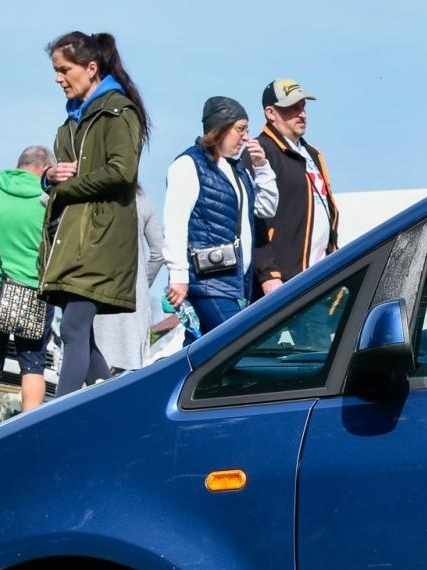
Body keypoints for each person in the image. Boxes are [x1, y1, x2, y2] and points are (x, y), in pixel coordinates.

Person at [39, 31, 148, 395]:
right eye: (55, 70)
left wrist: (63, 189)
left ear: (90, 67)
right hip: (73, 238)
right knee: (81, 336)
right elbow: (64, 173)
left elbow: (122, 171)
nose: (57, 78)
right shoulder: (70, 122)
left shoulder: (119, 111)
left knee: (72, 328)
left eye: (63, 69)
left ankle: (57, 419)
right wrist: (48, 176)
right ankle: (113, 398)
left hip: (100, 239)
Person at [163, 97, 279, 339]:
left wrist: (262, 168)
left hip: (234, 285)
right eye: (240, 129)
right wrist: (178, 276)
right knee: (239, 343)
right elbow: (174, 223)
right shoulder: (188, 165)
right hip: (208, 284)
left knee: (202, 355)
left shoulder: (237, 170)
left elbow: (266, 208)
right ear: (220, 127)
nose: (246, 137)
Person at [0, 145, 53, 429]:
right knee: (32, 364)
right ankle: (28, 431)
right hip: (32, 292)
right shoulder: (46, 200)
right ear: (44, 169)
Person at [254, 78, 338, 298]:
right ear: (270, 113)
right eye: (291, 108)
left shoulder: (313, 154)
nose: (301, 113)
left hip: (319, 277)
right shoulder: (261, 151)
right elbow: (253, 219)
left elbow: (327, 212)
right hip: (283, 281)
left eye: (302, 107)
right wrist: (268, 272)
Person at [93, 186, 163, 372]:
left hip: (96, 290)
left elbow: (45, 199)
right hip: (133, 297)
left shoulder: (93, 195)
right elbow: (159, 252)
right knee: (130, 368)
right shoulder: (142, 200)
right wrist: (141, 283)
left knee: (93, 360)